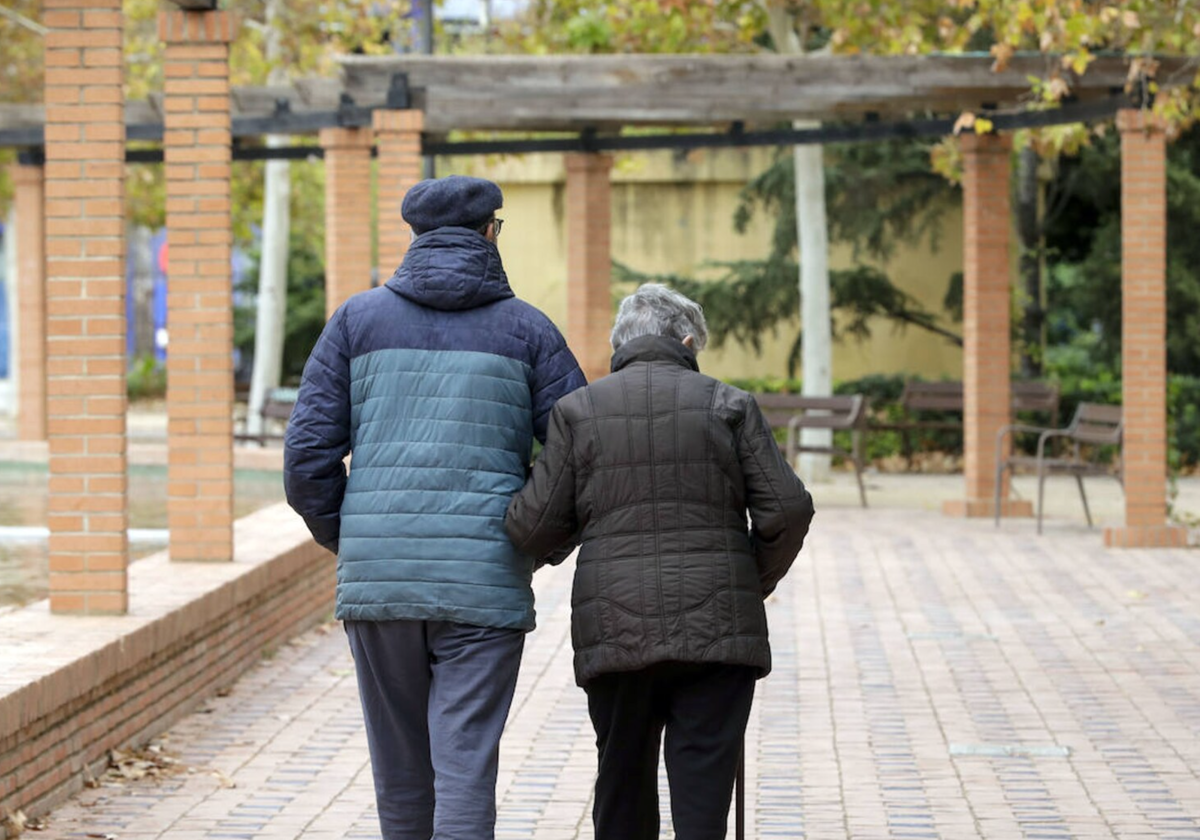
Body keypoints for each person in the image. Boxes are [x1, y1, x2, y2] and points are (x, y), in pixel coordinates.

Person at [283, 175, 586, 840]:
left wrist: (358, 536)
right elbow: (580, 454)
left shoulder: (355, 323)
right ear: (490, 234)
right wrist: (530, 540)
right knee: (465, 771)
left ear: (415, 237)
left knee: (400, 775)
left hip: (381, 577)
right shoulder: (530, 330)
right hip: (484, 581)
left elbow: (306, 459)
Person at [505, 283, 814, 840]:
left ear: (620, 343)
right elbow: (788, 510)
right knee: (703, 795)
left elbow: (533, 526)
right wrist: (750, 578)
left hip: (616, 631)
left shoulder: (579, 411)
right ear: (689, 340)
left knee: (622, 783)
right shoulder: (730, 404)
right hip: (718, 634)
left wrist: (574, 528)